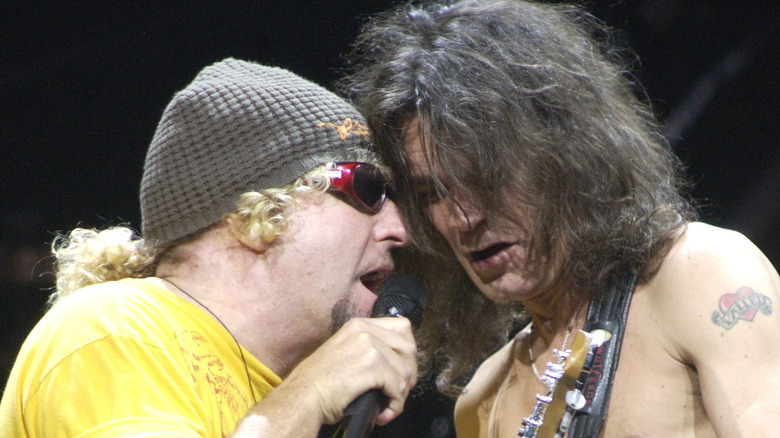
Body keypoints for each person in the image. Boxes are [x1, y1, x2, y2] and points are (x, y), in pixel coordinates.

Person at [341, 0, 780, 436]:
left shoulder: (700, 274)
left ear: (563, 153)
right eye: (432, 192)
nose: (465, 217)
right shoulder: (482, 402)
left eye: (486, 175)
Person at [0, 58, 418, 437]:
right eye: (368, 189)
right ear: (255, 213)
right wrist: (308, 394)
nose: (400, 228)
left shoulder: (272, 394)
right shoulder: (115, 329)